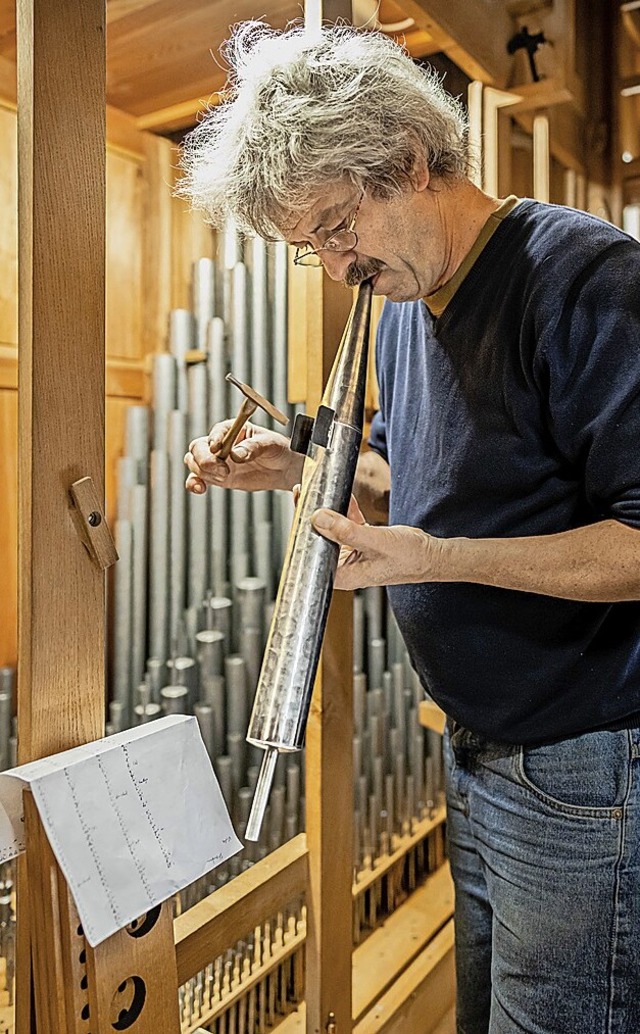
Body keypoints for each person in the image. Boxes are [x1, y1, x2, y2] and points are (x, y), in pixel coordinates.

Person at [179, 20, 640, 1034]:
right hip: (472, 748)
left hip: (582, 765)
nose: (334, 262)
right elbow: (418, 485)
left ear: (408, 157)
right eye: (310, 248)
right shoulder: (402, 301)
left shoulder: (584, 276)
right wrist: (299, 469)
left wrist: (431, 560)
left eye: (337, 226)